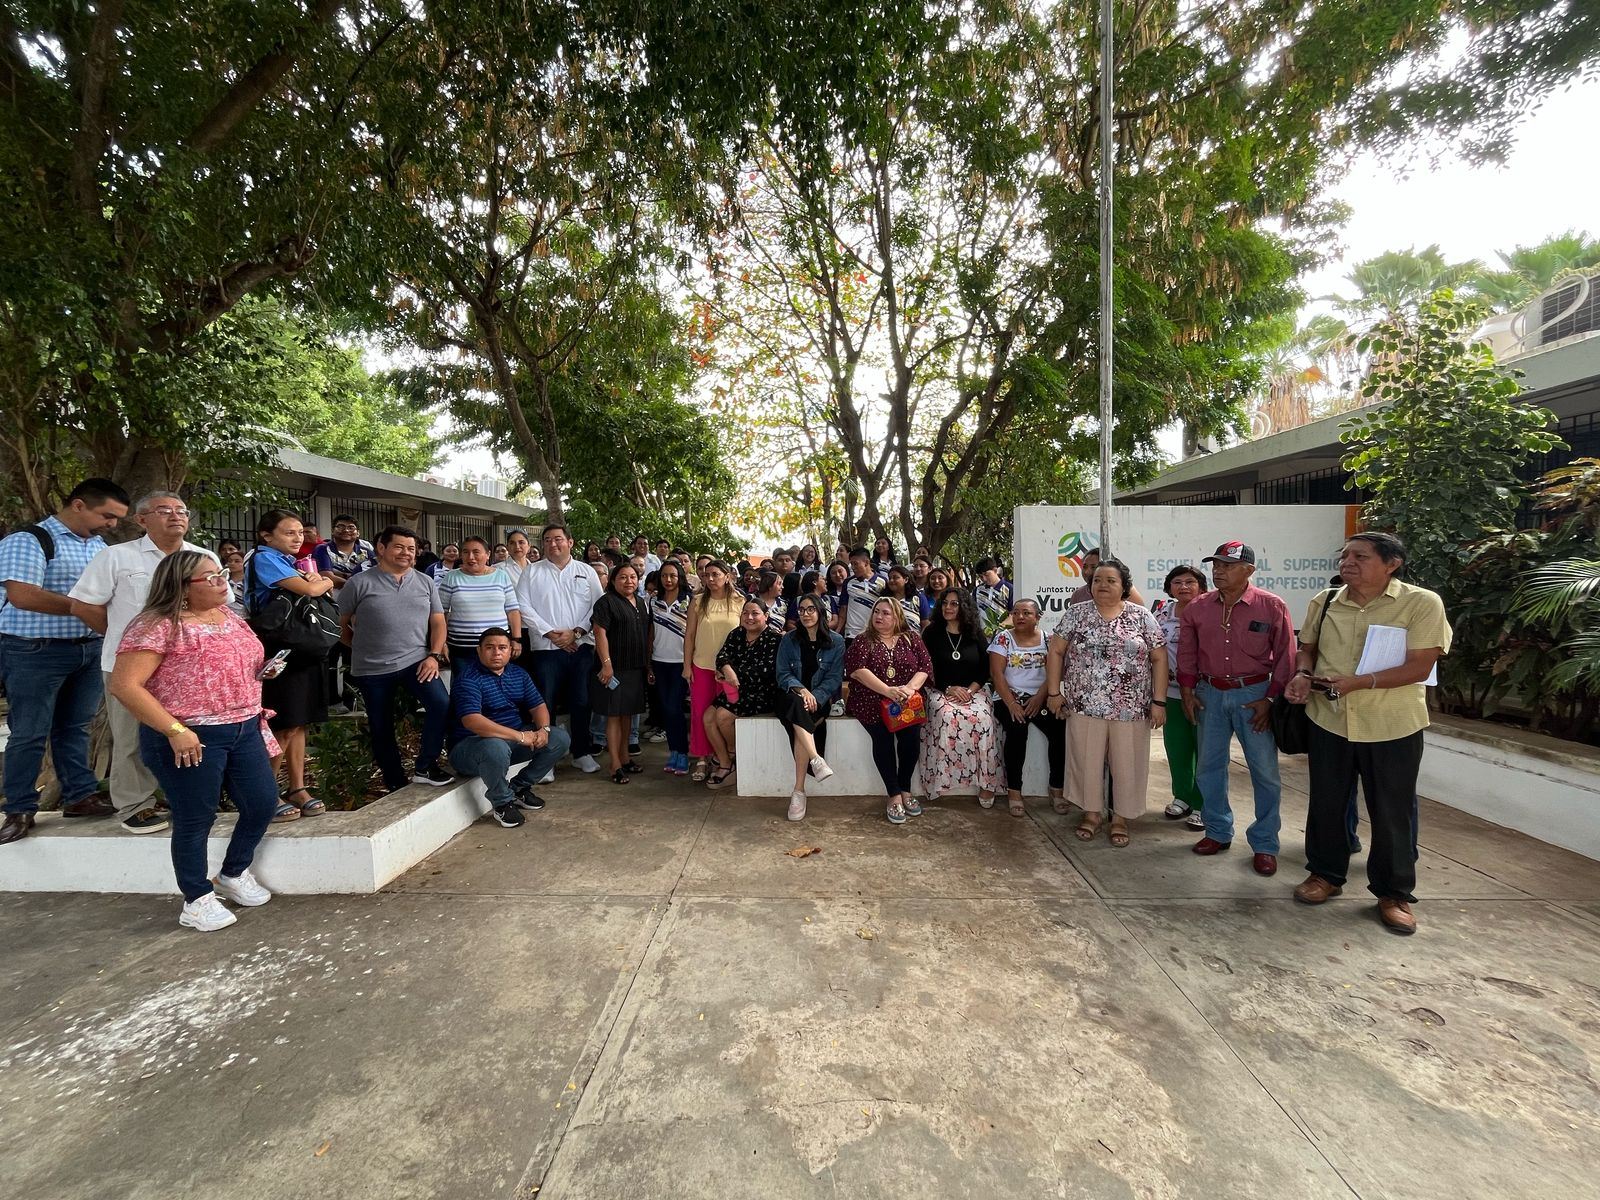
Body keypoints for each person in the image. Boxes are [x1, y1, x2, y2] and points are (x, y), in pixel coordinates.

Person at [1285, 532, 1453, 935]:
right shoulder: (1324, 602)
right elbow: (1306, 647)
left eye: (1360, 556)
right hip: (1331, 718)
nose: (1348, 563)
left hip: (1392, 724)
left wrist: (1359, 682)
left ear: (1391, 563)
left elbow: (1420, 666)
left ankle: (1393, 893)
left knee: (1392, 810)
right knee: (1326, 801)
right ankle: (1324, 874)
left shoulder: (1420, 603)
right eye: (1344, 556)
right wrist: (1303, 674)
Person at [109, 552, 283, 930]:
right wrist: (175, 730)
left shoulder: (229, 617)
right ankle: (196, 898)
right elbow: (124, 685)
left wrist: (260, 672)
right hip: (189, 735)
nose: (223, 580)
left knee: (263, 803)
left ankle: (234, 872)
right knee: (195, 817)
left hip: (243, 726)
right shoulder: (157, 625)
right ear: (182, 587)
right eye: (211, 577)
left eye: (222, 573)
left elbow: (230, 663)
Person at [67, 491, 216, 834]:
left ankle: (181, 797)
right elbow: (84, 605)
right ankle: (136, 804)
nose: (175, 516)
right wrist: (128, 640)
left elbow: (219, 605)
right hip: (131, 668)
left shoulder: (202, 557)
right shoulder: (116, 557)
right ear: (141, 519)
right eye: (164, 510)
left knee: (187, 732)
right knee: (132, 736)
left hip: (189, 666)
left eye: (181, 510)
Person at [0, 477, 130, 845]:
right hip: (34, 649)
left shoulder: (98, 547)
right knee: (29, 731)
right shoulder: (30, 540)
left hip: (87, 648)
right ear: (78, 505)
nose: (112, 524)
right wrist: (80, 606)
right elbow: (23, 595)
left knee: (76, 726)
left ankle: (80, 796)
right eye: (107, 515)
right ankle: (20, 808)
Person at [1177, 541, 1295, 876]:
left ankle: (1265, 843)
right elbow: (1187, 651)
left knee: (1265, 772)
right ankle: (1217, 831)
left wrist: (1271, 699)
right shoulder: (1198, 608)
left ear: (1249, 571)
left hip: (1254, 693)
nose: (1219, 571)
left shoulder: (1271, 606)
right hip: (1210, 693)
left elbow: (1286, 654)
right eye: (1216, 565)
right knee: (1209, 768)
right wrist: (1187, 691)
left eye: (1227, 566)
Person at [1047, 559, 1167, 847]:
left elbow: (1159, 657)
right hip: (1085, 704)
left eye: (1111, 580)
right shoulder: (1077, 614)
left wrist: (1159, 701)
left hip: (1131, 707)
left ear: (1124, 586)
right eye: (1098, 579)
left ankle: (1121, 818)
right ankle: (1091, 814)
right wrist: (1054, 692)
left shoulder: (1141, 616)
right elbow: (1056, 651)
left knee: (1127, 764)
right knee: (1086, 761)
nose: (1102, 585)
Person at [337, 524, 453, 793]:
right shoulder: (359, 582)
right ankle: (395, 780)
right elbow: (340, 625)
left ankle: (426, 765)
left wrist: (433, 655)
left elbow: (437, 622)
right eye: (399, 547)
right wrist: (361, 648)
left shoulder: (425, 581)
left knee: (441, 703)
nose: (406, 553)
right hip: (372, 668)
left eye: (411, 549)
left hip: (417, 661)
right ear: (381, 548)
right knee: (381, 724)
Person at [247, 509, 334, 819]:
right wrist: (321, 580)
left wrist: (318, 580)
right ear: (266, 535)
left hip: (304, 647)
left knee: (300, 721)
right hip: (280, 648)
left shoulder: (290, 562)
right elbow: (312, 589)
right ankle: (265, 793)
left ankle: (296, 786)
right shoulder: (264, 558)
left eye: (299, 532)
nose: (297, 538)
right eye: (289, 532)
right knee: (281, 723)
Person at [448, 627, 572, 828]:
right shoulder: (468, 678)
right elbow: (472, 721)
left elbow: (538, 706)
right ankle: (502, 803)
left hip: (510, 742)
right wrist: (520, 736)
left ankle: (519, 788)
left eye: (502, 647)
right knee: (495, 747)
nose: (496, 652)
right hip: (470, 748)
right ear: (479, 651)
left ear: (510, 651)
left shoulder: (517, 673)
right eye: (489, 648)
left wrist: (543, 730)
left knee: (559, 738)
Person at [516, 524, 605, 774]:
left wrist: (576, 632)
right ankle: (547, 759)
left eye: (558, 539)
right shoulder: (531, 572)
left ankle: (581, 752)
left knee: (581, 700)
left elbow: (598, 607)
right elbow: (523, 606)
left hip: (580, 646)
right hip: (546, 648)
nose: (552, 544)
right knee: (546, 702)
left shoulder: (586, 571)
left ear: (570, 542)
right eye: (547, 540)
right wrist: (550, 633)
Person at [846, 597, 934, 824]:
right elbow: (857, 670)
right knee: (883, 740)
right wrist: (887, 690)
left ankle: (905, 789)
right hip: (871, 701)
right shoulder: (863, 640)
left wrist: (908, 689)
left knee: (911, 741)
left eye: (886, 613)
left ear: (897, 617)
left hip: (906, 702)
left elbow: (925, 667)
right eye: (876, 612)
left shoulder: (912, 638)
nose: (879, 617)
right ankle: (894, 794)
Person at [921, 588, 1002, 807]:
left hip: (973, 690)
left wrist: (971, 690)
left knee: (983, 719)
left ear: (964, 607)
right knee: (946, 715)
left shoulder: (974, 633)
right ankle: (941, 780)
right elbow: (924, 668)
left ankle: (986, 783)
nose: (948, 607)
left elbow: (985, 668)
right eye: (945, 603)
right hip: (940, 690)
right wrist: (948, 688)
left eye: (954, 604)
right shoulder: (931, 633)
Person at [988, 598, 1065, 817]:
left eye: (1026, 613)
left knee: (1060, 730)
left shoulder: (1049, 639)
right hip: (1008, 698)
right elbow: (997, 674)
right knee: (1016, 732)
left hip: (1041, 697)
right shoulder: (1003, 638)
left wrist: (1041, 697)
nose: (1020, 617)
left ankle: (1056, 790)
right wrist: (1012, 703)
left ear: (1038, 617)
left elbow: (1055, 672)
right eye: (1016, 613)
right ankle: (1014, 792)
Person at [776, 594, 844, 820]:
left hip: (820, 699)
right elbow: (783, 674)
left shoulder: (836, 641)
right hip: (790, 696)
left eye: (810, 609)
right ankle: (816, 760)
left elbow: (834, 679)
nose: (805, 614)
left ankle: (799, 791)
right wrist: (803, 691)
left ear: (820, 612)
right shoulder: (789, 639)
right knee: (797, 704)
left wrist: (815, 696)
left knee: (800, 720)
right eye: (801, 610)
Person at [704, 598, 784, 790]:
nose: (749, 617)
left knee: (722, 717)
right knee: (707, 717)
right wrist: (726, 669)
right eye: (745, 613)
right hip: (735, 691)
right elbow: (722, 655)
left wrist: (731, 673)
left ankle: (731, 753)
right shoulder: (737, 634)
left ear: (766, 616)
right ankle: (726, 761)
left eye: (755, 613)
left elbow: (765, 671)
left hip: (761, 694)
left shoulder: (775, 639)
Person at [1153, 565, 1209, 831]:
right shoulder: (1162, 611)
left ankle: (1203, 804)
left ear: (1201, 586)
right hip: (1171, 693)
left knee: (1205, 750)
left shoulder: (1211, 609)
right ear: (1169, 587)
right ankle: (1183, 796)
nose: (1184, 587)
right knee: (1177, 748)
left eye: (1190, 582)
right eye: (1177, 582)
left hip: (1204, 692)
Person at [682, 559, 744, 782]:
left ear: (727, 576)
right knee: (700, 714)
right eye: (706, 575)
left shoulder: (740, 601)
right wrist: (687, 666)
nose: (710, 579)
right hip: (702, 666)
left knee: (726, 716)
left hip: (730, 671)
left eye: (715, 574)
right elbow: (689, 636)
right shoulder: (698, 602)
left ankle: (728, 755)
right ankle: (702, 758)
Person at [592, 562, 651, 784]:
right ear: (613, 580)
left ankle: (626, 757)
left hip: (635, 668)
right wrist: (606, 664)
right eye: (623, 577)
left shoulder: (641, 603)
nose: (629, 581)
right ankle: (614, 763)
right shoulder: (606, 603)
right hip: (614, 670)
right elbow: (600, 633)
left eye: (633, 577)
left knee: (629, 714)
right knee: (614, 715)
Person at [437, 535, 521, 664]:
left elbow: (512, 610)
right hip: (461, 649)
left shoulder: (501, 576)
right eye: (466, 552)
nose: (471, 557)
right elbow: (441, 612)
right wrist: (441, 643)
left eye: (476, 552)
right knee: (464, 684)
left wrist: (516, 639)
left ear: (487, 554)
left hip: (497, 648)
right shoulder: (451, 577)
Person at [650, 561, 692, 775]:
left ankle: (683, 753)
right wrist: (648, 663)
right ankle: (673, 751)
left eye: (673, 576)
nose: (668, 580)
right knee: (666, 709)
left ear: (680, 577)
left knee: (675, 707)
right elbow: (650, 632)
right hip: (659, 661)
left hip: (681, 664)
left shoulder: (690, 600)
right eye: (665, 576)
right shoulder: (653, 601)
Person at [312, 515, 376, 589]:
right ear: (332, 531)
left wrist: (341, 575)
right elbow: (327, 577)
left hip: (364, 597)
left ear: (358, 533)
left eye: (351, 528)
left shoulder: (367, 552)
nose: (346, 530)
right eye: (341, 527)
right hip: (333, 598)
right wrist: (358, 586)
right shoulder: (323, 549)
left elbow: (377, 576)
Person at [1069, 548, 1146, 606]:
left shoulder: (1126, 590)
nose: (1087, 572)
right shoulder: (1078, 595)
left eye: (1093, 567)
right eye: (1085, 567)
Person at [840, 547, 885, 641]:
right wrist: (838, 631)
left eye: (855, 564)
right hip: (852, 635)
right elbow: (843, 609)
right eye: (851, 564)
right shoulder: (848, 582)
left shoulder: (883, 582)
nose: (852, 567)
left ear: (866, 562)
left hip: (875, 635)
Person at [974, 558, 1013, 639]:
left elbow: (1013, 614)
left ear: (995, 570)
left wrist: (997, 629)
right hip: (981, 637)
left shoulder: (1009, 589)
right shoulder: (977, 590)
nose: (984, 579)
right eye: (981, 576)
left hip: (1003, 637)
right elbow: (972, 612)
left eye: (986, 575)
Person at [883, 564, 922, 632]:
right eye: (890, 578)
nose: (891, 580)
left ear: (906, 579)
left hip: (913, 640)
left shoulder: (918, 598)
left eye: (895, 577)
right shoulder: (884, 600)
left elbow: (925, 623)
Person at [752, 568, 790, 634]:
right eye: (779, 584)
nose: (782, 587)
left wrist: (784, 632)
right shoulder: (752, 599)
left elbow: (785, 626)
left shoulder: (783, 604)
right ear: (770, 585)